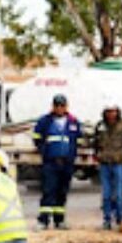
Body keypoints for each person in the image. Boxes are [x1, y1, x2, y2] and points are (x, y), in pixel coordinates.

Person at [32, 93, 82, 230]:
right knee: (49, 190)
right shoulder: (45, 121)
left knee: (62, 191)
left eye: (62, 106)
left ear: (66, 107)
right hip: (51, 162)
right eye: (57, 106)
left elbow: (79, 140)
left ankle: (59, 220)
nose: (59, 108)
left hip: (67, 163)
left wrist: (72, 155)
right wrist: (44, 151)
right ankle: (43, 221)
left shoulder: (73, 122)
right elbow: (36, 137)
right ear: (53, 107)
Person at [94, 103, 122, 229]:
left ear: (117, 112)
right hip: (105, 163)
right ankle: (107, 220)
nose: (111, 114)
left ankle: (119, 218)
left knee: (119, 194)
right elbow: (95, 142)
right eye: (109, 111)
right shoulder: (100, 126)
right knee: (106, 194)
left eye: (113, 111)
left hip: (118, 163)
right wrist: (98, 156)